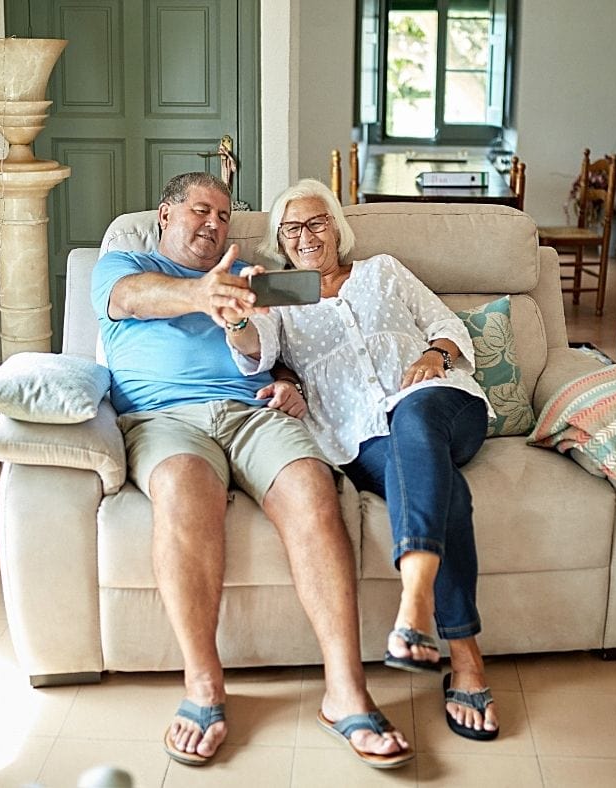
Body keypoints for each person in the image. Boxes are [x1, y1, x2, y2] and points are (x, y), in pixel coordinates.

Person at [90, 172, 412, 769]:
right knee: (184, 490)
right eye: (200, 211)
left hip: (252, 412)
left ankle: (345, 693)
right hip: (165, 419)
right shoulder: (119, 264)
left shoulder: (256, 279)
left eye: (223, 217)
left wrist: (290, 384)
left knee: (314, 489)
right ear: (165, 214)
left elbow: (298, 346)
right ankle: (204, 686)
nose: (213, 224)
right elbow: (133, 298)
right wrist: (204, 294)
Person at [223, 178, 500, 741]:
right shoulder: (284, 295)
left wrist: (432, 353)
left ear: (337, 228)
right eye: (293, 228)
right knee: (437, 480)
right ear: (280, 240)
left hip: (444, 404)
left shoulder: (382, 271)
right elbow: (258, 352)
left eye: (317, 222)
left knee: (415, 419)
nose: (306, 236)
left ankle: (416, 603)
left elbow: (446, 324)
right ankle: (466, 659)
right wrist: (237, 315)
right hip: (357, 438)